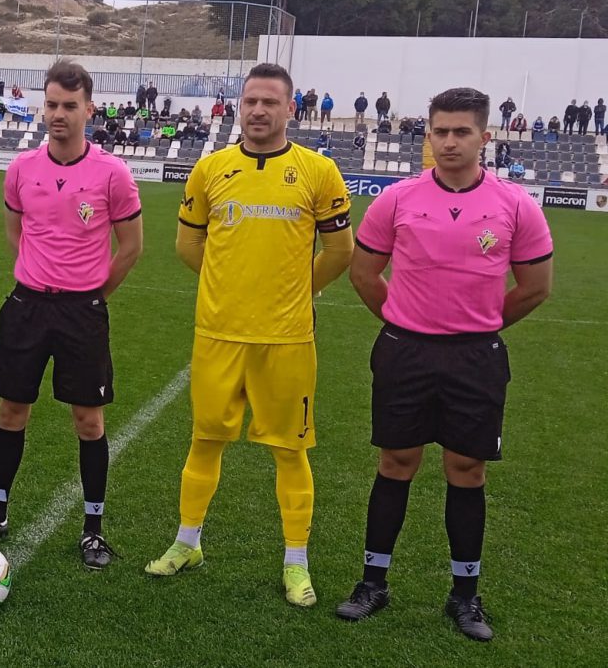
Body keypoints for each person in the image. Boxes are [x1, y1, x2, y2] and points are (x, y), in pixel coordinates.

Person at [340, 87, 553, 642]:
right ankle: (373, 583)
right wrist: (404, 320)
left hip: (475, 357)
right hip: (404, 351)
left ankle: (464, 596)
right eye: (441, 131)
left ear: (486, 137)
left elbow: (535, 287)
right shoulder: (396, 199)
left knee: (467, 470)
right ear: (428, 135)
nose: (450, 141)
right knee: (396, 463)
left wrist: (478, 325)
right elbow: (364, 273)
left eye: (462, 132)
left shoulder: (515, 205)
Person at [145, 63, 355, 610]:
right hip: (219, 333)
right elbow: (189, 247)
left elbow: (340, 251)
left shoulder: (318, 171)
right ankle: (186, 543)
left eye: (270, 102)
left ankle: (296, 564)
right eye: (250, 101)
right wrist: (230, 287)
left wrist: (294, 292)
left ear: (291, 108)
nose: (258, 110)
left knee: (290, 450)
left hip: (287, 339)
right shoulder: (211, 169)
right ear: (239, 107)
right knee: (205, 439)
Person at [0, 59, 143, 570]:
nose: (59, 114)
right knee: (11, 411)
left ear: (89, 110)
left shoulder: (112, 173)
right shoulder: (21, 169)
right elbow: (16, 232)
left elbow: (131, 247)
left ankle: (93, 529)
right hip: (28, 305)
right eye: (52, 103)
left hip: (82, 311)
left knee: (88, 420)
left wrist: (95, 294)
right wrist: (37, 273)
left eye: (69, 106)